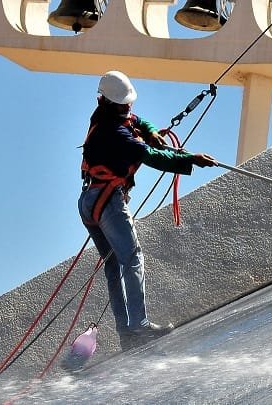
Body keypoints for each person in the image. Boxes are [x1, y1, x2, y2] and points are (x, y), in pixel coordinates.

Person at [79, 70, 216, 349]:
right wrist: (191, 159)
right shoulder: (114, 132)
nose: (129, 106)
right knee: (132, 259)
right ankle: (138, 326)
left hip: (90, 200)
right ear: (109, 102)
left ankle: (126, 333)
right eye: (124, 103)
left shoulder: (110, 116)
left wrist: (151, 131)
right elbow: (149, 156)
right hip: (108, 202)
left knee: (114, 266)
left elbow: (139, 121)